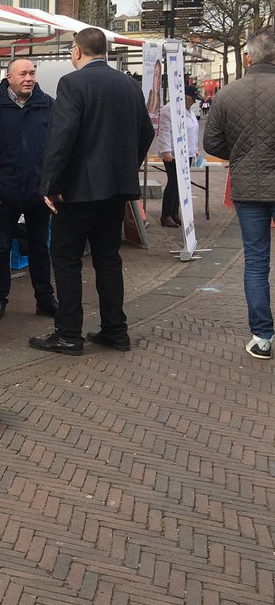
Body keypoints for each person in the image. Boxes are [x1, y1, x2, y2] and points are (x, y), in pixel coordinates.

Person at [31, 28, 154, 356]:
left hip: (79, 189)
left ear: (76, 51)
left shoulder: (72, 84)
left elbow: (62, 137)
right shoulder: (128, 84)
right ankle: (116, 330)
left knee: (66, 257)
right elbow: (147, 130)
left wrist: (50, 185)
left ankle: (69, 333)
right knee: (108, 257)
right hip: (116, 188)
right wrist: (127, 167)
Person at [203, 28, 275, 360]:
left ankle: (262, 336)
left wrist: (243, 153)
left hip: (249, 186)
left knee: (256, 262)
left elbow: (212, 144)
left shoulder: (228, 94)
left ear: (248, 57)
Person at [0, 57, 58, 321]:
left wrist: (49, 184)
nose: (29, 78)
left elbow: (57, 147)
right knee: (1, 248)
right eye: (23, 73)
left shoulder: (47, 105)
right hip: (4, 193)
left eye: (32, 73)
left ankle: (45, 299)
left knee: (39, 248)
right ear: (9, 77)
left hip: (37, 192)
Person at [155, 86, 202, 227]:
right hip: (174, 153)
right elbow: (164, 130)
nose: (194, 103)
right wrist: (166, 150)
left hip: (186, 152)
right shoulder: (169, 110)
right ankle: (166, 214)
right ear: (187, 97)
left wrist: (194, 149)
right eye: (193, 99)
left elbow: (191, 131)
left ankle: (174, 211)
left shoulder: (188, 111)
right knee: (174, 182)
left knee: (181, 184)